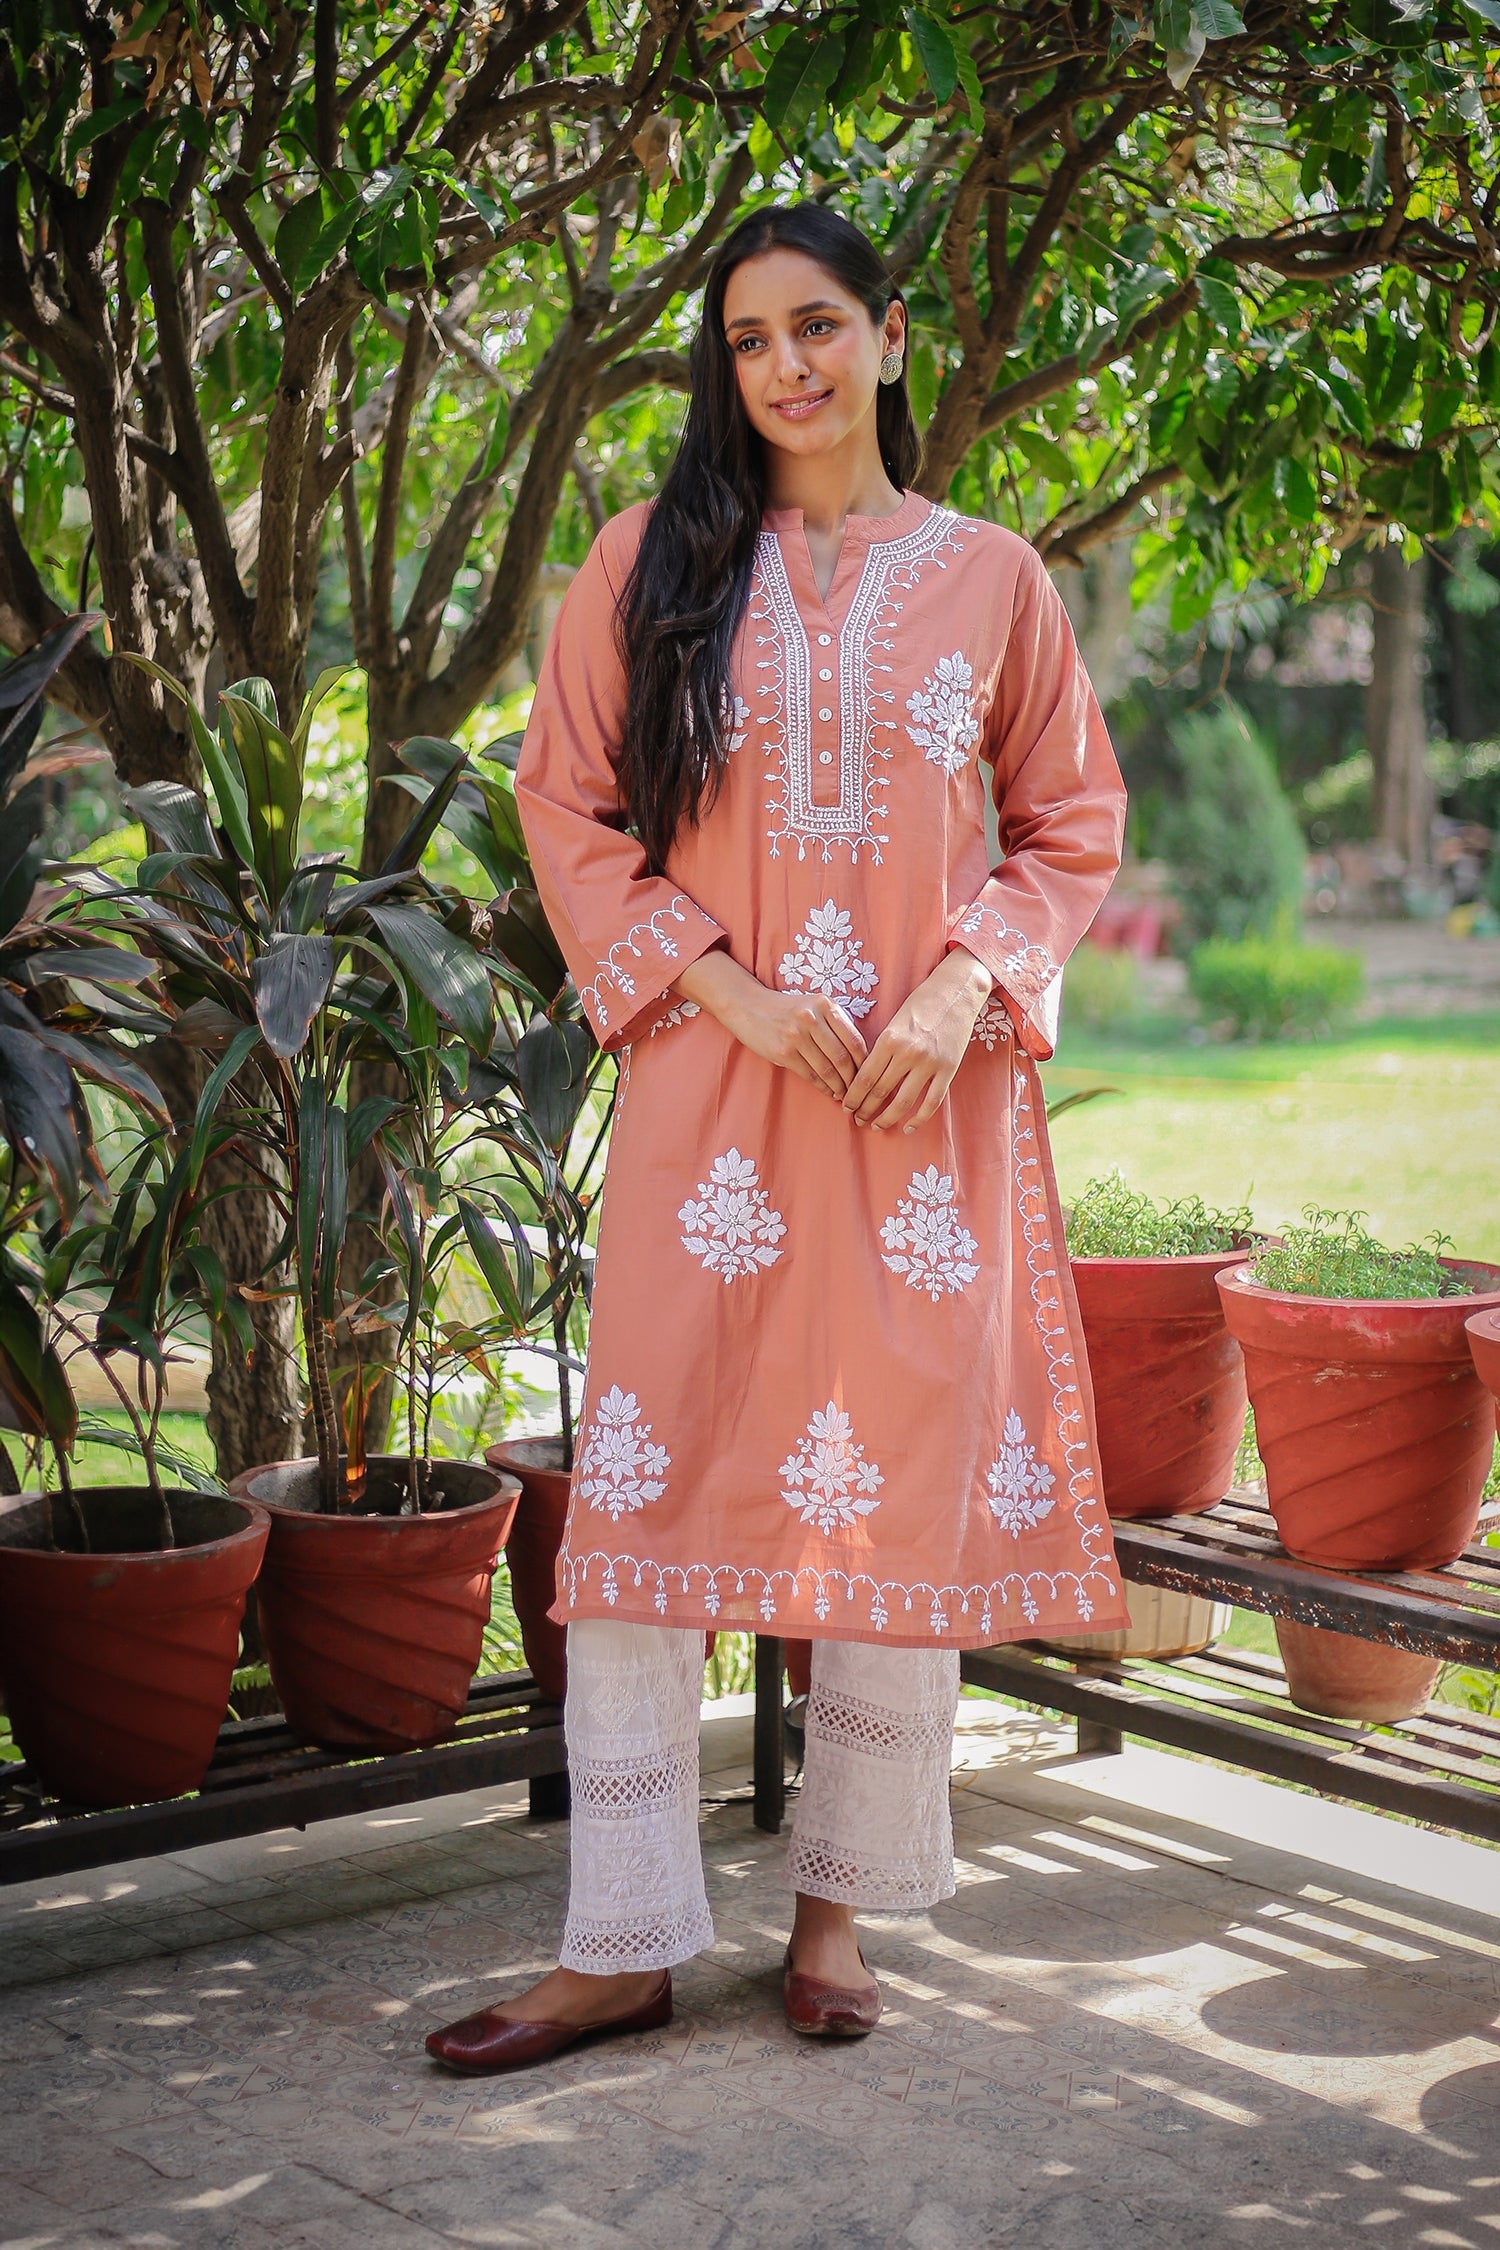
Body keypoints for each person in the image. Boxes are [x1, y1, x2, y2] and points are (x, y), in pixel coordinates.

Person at [426, 202, 1128, 2077]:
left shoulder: (993, 580)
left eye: (817, 326)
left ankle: (839, 1911)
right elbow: (566, 805)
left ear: (891, 337)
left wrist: (963, 986)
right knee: (652, 1489)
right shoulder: (651, 561)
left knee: (886, 1483)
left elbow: (1069, 822)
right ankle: (625, 1936)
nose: (786, 368)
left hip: (916, 1112)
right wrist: (722, 988)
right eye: (747, 340)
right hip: (710, 1094)